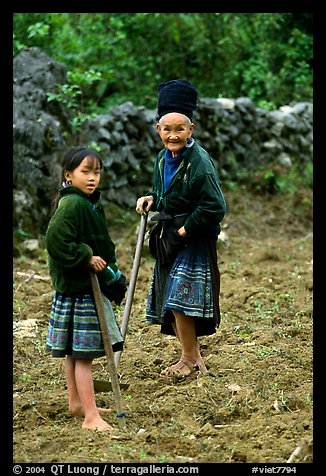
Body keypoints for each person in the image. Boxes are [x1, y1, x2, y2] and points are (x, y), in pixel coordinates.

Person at [136, 79, 227, 379]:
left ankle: (188, 358)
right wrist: (151, 198)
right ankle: (194, 358)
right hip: (170, 237)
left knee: (179, 298)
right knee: (169, 300)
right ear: (158, 129)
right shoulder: (163, 159)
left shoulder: (199, 162)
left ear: (191, 130)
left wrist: (185, 231)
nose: (173, 135)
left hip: (192, 237)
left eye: (180, 129)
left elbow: (215, 207)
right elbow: (164, 192)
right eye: (167, 129)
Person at [45, 146, 126, 432]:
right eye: (85, 172)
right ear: (68, 175)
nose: (92, 178)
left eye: (96, 172)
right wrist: (85, 255)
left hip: (78, 288)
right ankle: (91, 417)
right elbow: (56, 240)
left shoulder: (88, 202)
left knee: (74, 352)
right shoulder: (73, 204)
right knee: (83, 355)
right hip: (79, 290)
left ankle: (77, 404)